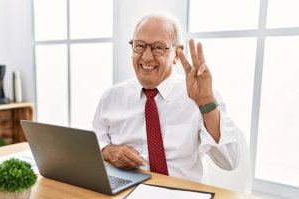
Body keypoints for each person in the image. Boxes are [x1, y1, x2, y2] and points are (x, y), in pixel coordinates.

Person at [92, 12, 239, 182]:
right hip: (125, 192)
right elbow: (94, 142)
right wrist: (107, 151)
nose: (146, 56)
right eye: (140, 46)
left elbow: (230, 161)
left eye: (158, 47)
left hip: (183, 197)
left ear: (177, 54)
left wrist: (205, 102)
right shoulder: (111, 97)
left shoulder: (200, 94)